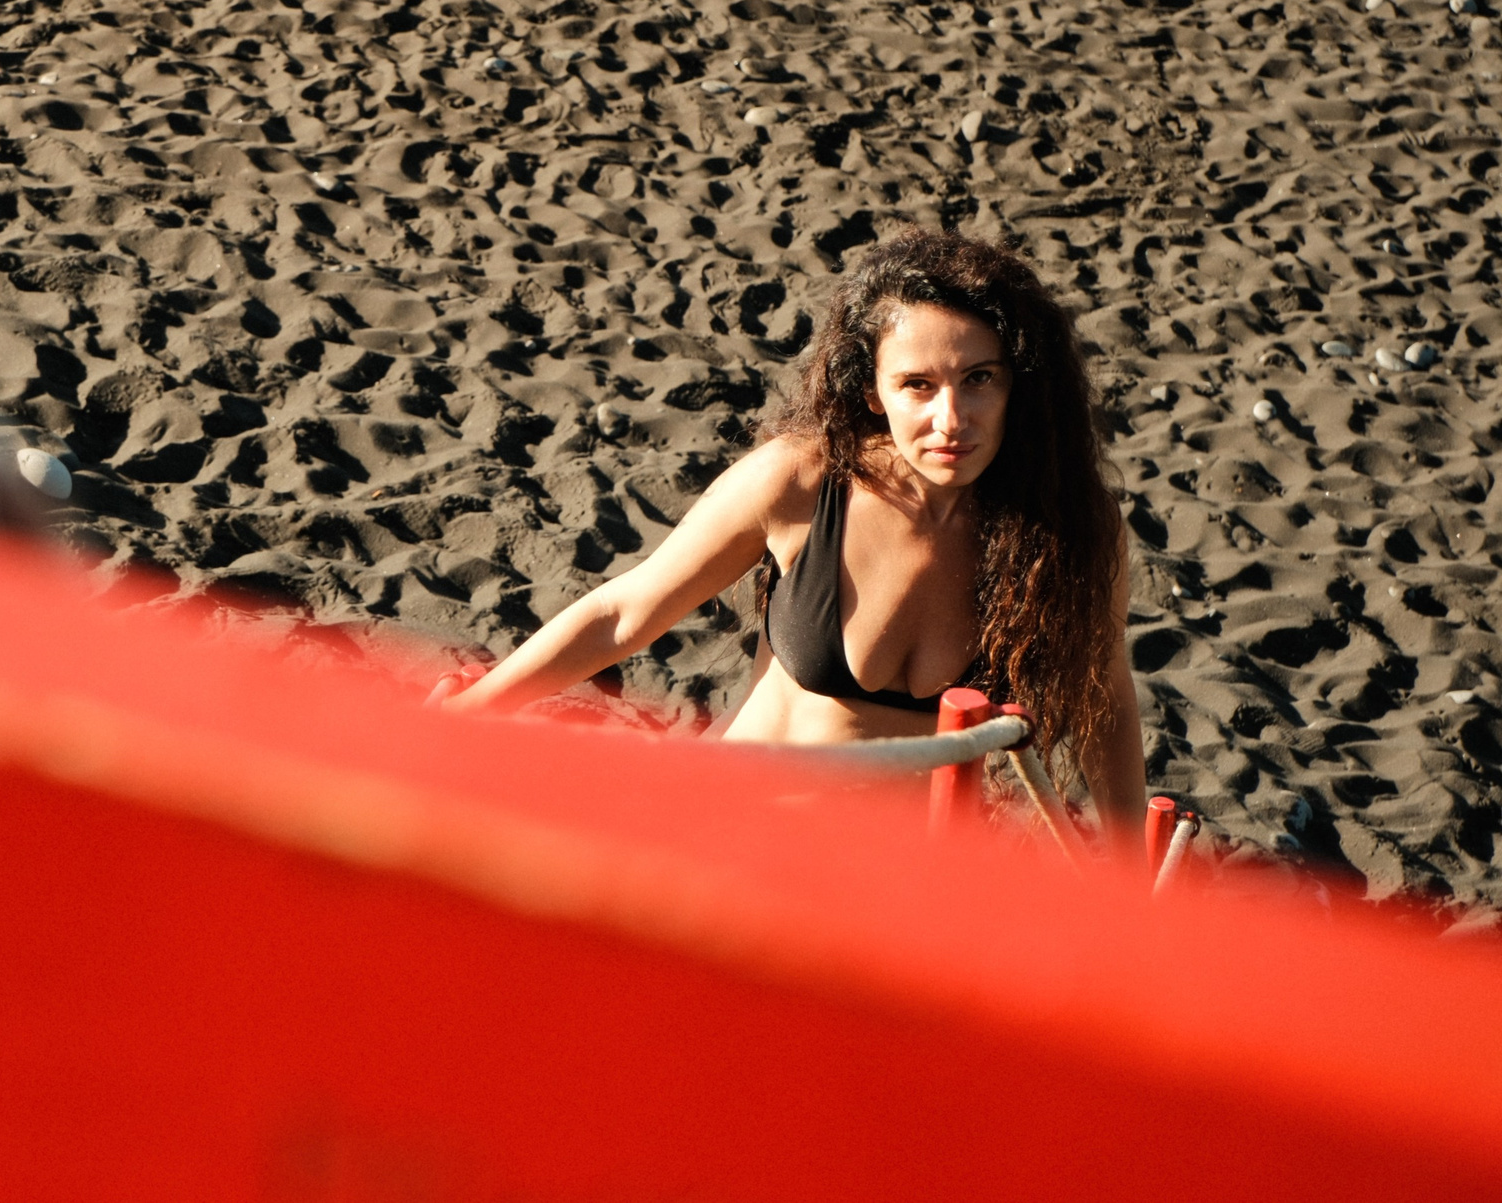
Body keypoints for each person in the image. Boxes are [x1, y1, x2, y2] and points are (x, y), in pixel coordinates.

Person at [436, 226, 1146, 833]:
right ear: (873, 390)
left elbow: (1104, 704)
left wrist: (1129, 883)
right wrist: (469, 714)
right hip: (740, 830)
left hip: (888, 881)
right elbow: (621, 613)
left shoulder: (1065, 530)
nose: (951, 419)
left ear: (1018, 383)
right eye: (918, 385)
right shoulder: (803, 483)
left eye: (980, 378)